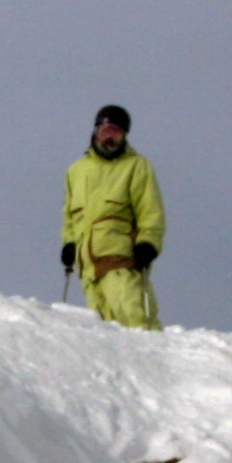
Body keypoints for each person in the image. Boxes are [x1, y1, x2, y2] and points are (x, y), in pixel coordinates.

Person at [61, 105, 165, 330]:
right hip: (87, 267)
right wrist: (69, 243)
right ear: (96, 131)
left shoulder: (136, 166)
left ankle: (154, 357)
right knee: (105, 330)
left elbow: (150, 210)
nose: (109, 138)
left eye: (115, 133)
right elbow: (70, 216)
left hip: (119, 256)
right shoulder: (76, 171)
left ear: (124, 136)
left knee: (133, 313)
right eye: (105, 131)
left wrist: (148, 242)